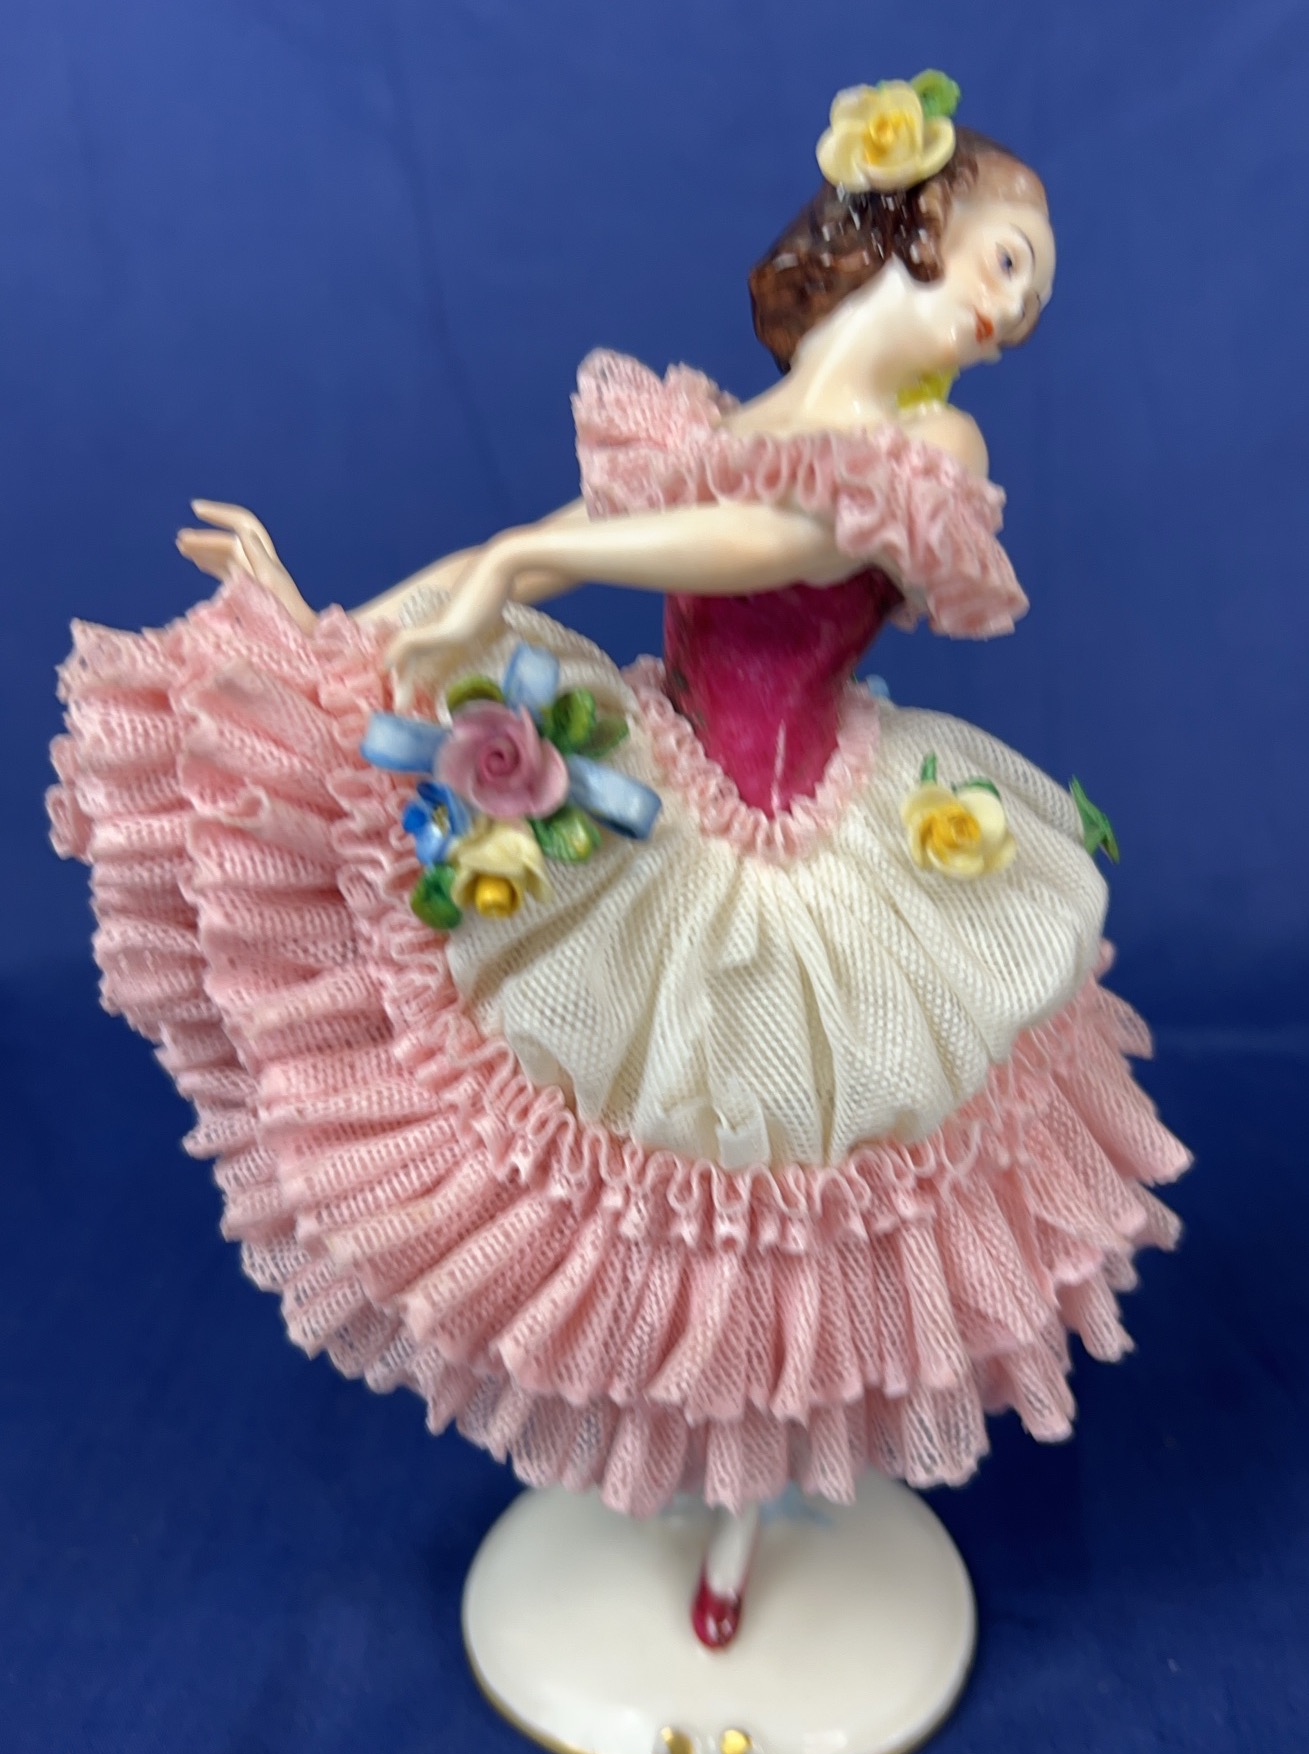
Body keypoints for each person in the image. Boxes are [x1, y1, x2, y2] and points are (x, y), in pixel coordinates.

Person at [49, 75, 1189, 1652]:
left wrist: (536, 557)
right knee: (594, 1118)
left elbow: (771, 547)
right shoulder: (726, 428)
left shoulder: (927, 446)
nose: (1018, 308)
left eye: (1036, 291)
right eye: (1008, 258)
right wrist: (327, 625)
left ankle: (743, 1516)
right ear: (914, 222)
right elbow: (544, 543)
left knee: (781, 1169)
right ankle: (691, 1463)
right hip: (666, 778)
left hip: (805, 835)